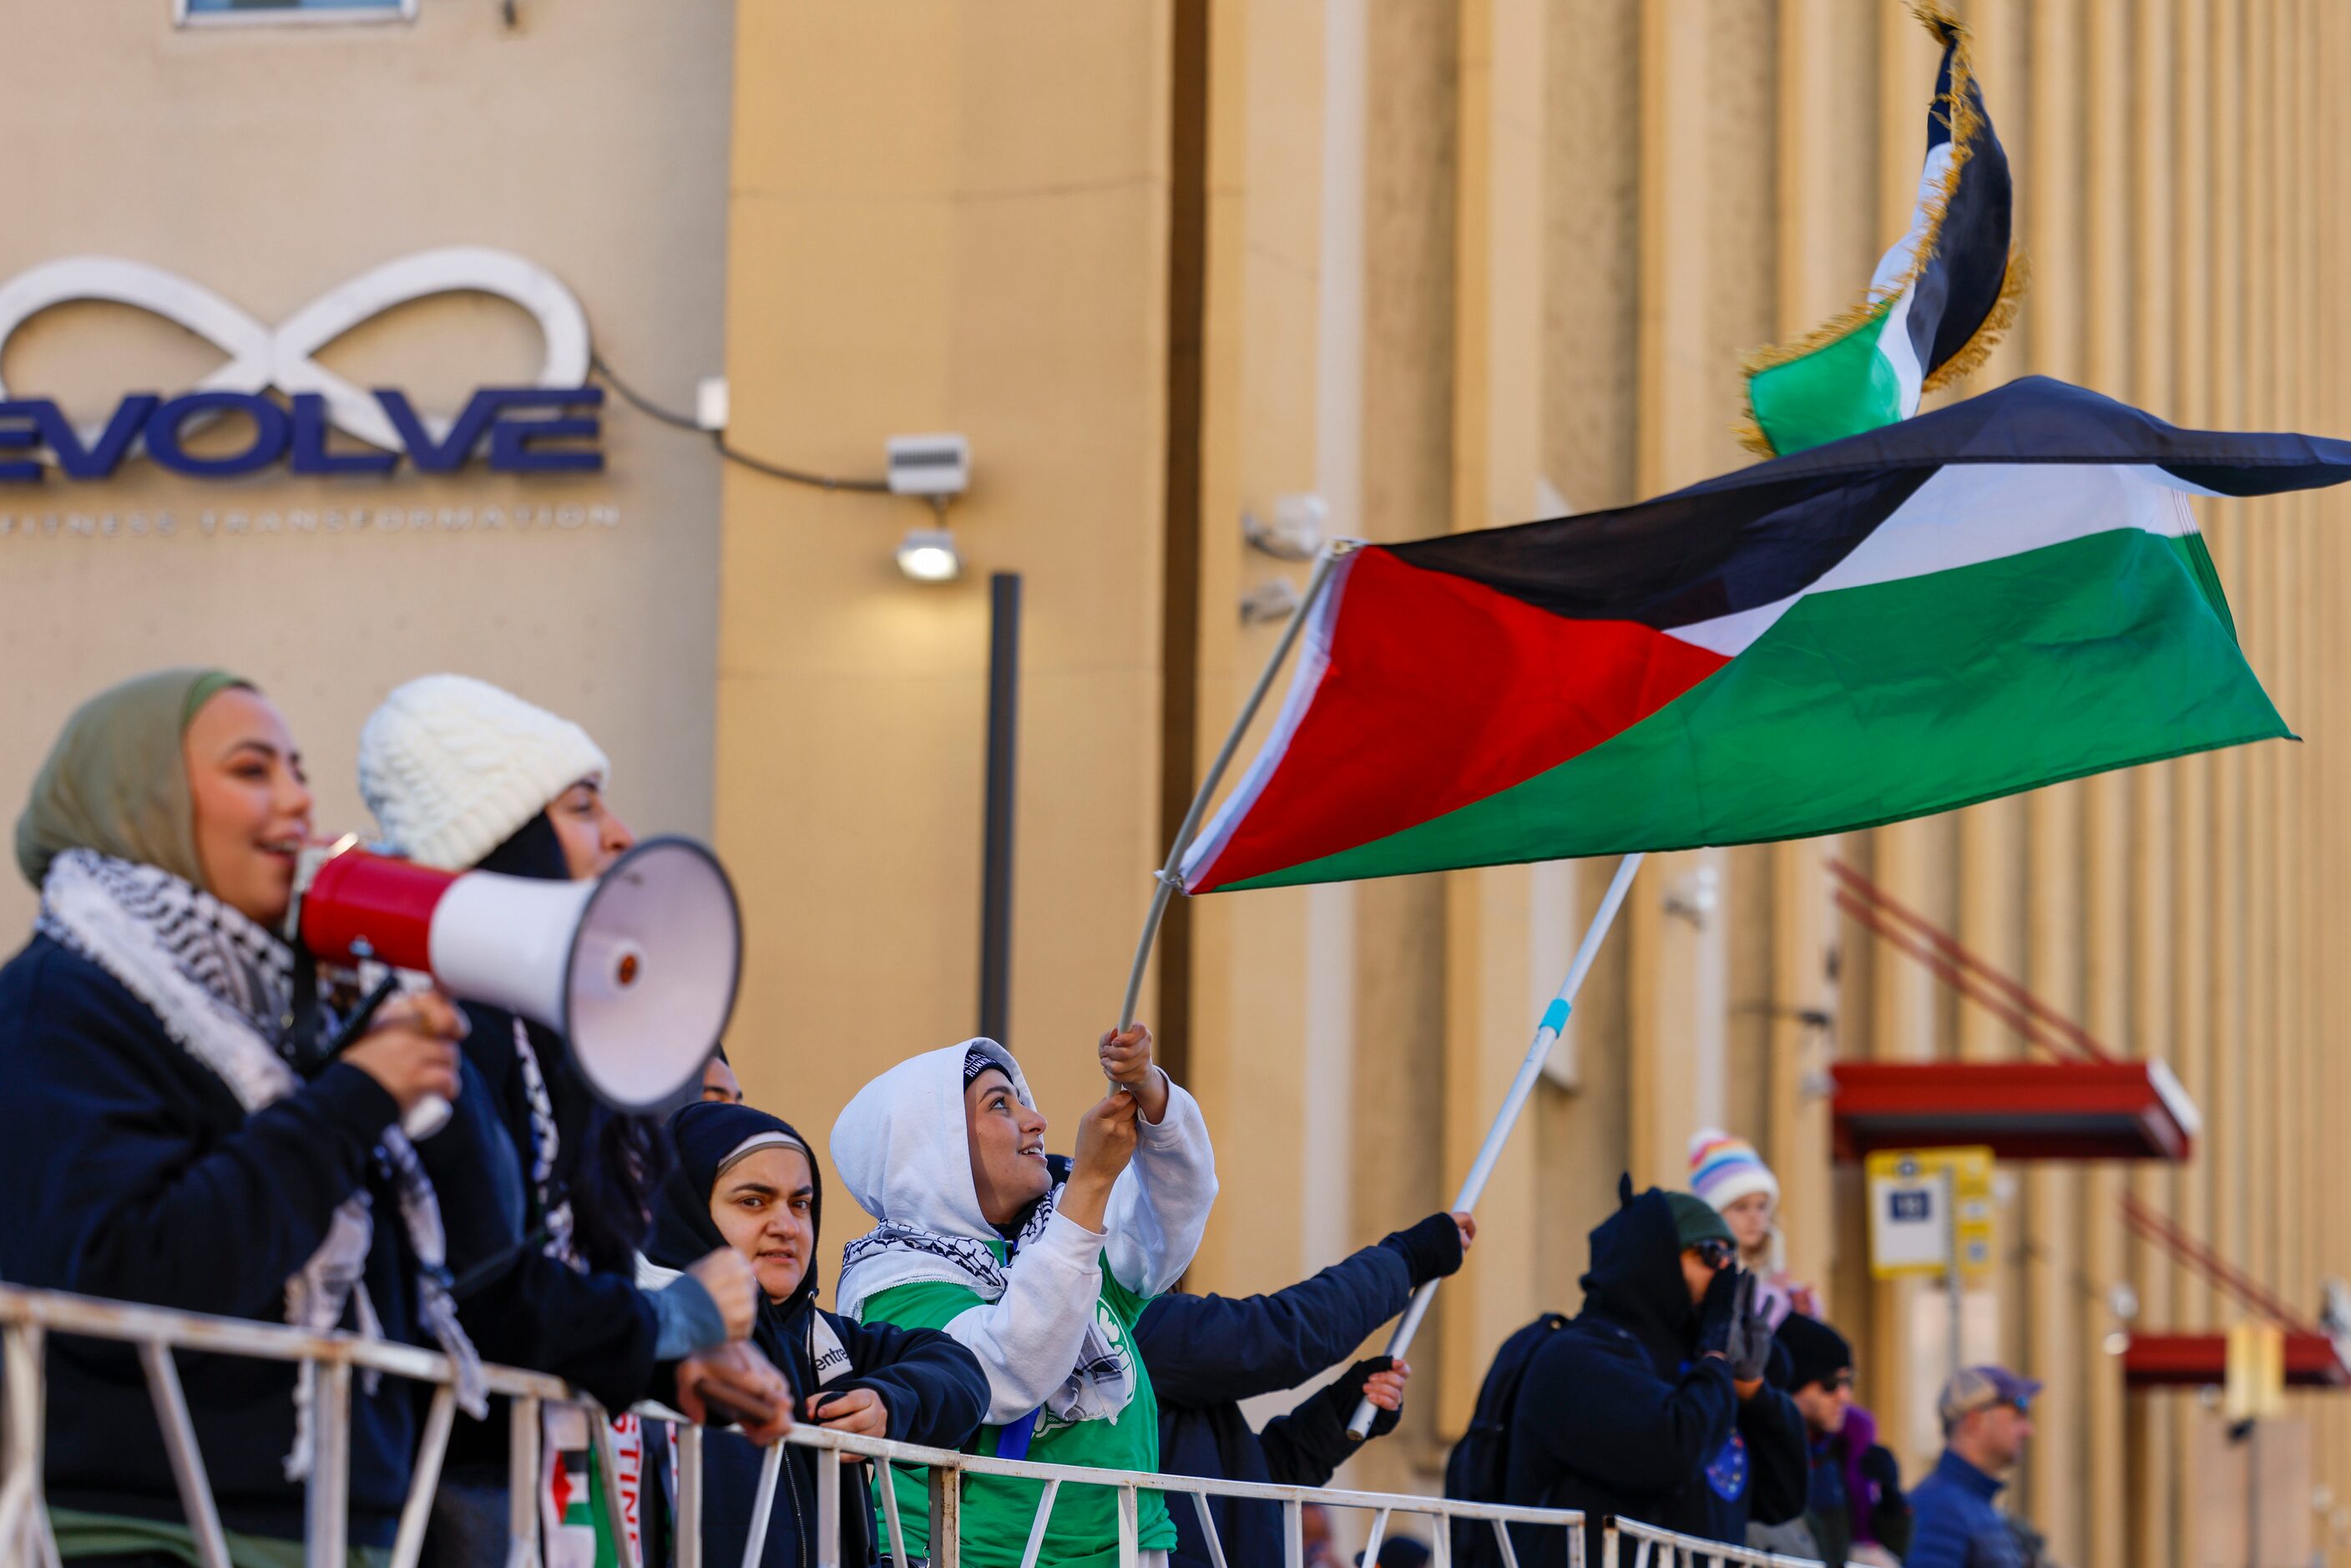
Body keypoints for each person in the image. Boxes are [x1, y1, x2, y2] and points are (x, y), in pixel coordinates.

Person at [0, 670, 789, 1565]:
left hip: (334, 1523)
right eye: (253, 771)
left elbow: (441, 1287)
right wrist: (358, 1094)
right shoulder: (60, 1006)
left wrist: (655, 1360)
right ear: (136, 798)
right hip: (151, 1530)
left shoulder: (280, 1012)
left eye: (297, 770)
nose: (298, 799)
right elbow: (123, 1264)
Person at [357, 672, 785, 1563]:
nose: (621, 836)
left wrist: (673, 1363)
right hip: (435, 1500)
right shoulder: (424, 1032)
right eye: (582, 805)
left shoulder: (520, 1042)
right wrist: (670, 1323)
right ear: (496, 835)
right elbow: (484, 1288)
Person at [832, 1028, 1218, 1568]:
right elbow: (1005, 1369)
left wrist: (1150, 1092)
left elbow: (1172, 1215)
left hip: (1122, 1549)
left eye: (1023, 1103)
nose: (1037, 1122)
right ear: (932, 1146)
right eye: (1000, 1105)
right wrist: (1086, 1188)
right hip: (964, 1554)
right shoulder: (894, 1282)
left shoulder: (1058, 1234)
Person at [640, 1100, 991, 1565]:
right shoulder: (639, 1335)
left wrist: (889, 1403)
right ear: (685, 1211)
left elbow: (961, 1371)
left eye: (800, 1204)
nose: (786, 1226)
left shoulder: (825, 1339)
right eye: (753, 1201)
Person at [1501, 1177, 1807, 1568]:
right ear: (1654, 1259)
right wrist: (1714, 1352)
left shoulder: (1701, 1371)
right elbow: (1672, 1450)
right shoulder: (1579, 1358)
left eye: (1734, 1261)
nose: (1726, 1278)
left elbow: (1781, 1496)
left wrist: (1750, 1388)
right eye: (1711, 1255)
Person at [1140, 1211, 1473, 1568]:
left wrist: (1339, 1411)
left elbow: (1253, 1485)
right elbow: (1276, 1335)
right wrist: (1406, 1258)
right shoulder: (1122, 1327)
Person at [1746, 1314, 1909, 1567]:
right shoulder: (1760, 1452)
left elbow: (1888, 1550)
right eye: (1830, 1384)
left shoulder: (1838, 1452)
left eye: (1848, 1382)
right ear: (1794, 1384)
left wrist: (1891, 1500)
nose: (1844, 1396)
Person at [1907, 1365, 2040, 1568]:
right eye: (2017, 1415)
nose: (2028, 1430)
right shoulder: (1938, 1508)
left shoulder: (1979, 1506)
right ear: (1974, 1420)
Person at [1688, 1129, 1816, 1328]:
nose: (1755, 1218)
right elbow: (1743, 1326)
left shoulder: (1764, 1259)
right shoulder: (1706, 1265)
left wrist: (1797, 1301)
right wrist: (1775, 1295)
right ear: (1714, 1214)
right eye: (1741, 1208)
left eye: (1762, 1206)